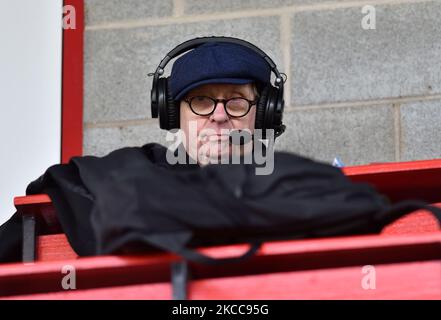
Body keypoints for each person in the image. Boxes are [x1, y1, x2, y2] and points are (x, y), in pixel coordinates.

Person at [0, 37, 286, 263]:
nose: (219, 116)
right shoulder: (128, 172)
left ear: (262, 114)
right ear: (174, 116)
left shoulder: (295, 190)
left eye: (236, 101)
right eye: (201, 101)